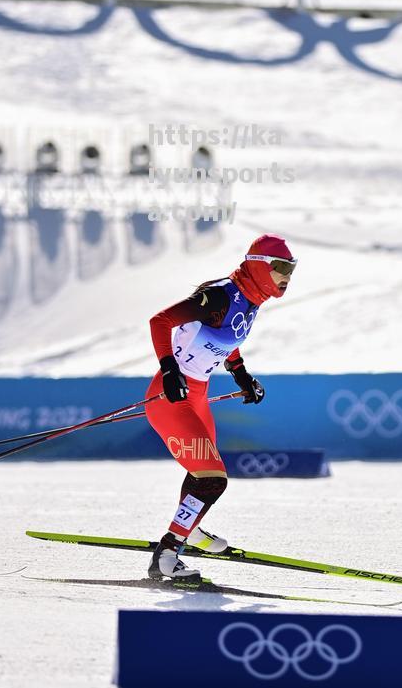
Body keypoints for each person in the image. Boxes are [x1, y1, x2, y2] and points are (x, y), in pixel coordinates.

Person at [145, 233, 297, 580]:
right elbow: (160, 321)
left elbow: (227, 339)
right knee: (213, 479)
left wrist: (241, 374)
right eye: (280, 266)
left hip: (198, 395)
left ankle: (191, 530)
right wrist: (169, 369)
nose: (286, 275)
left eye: (291, 268)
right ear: (258, 267)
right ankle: (166, 554)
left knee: (202, 473)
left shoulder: (251, 300)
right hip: (173, 398)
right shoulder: (217, 295)